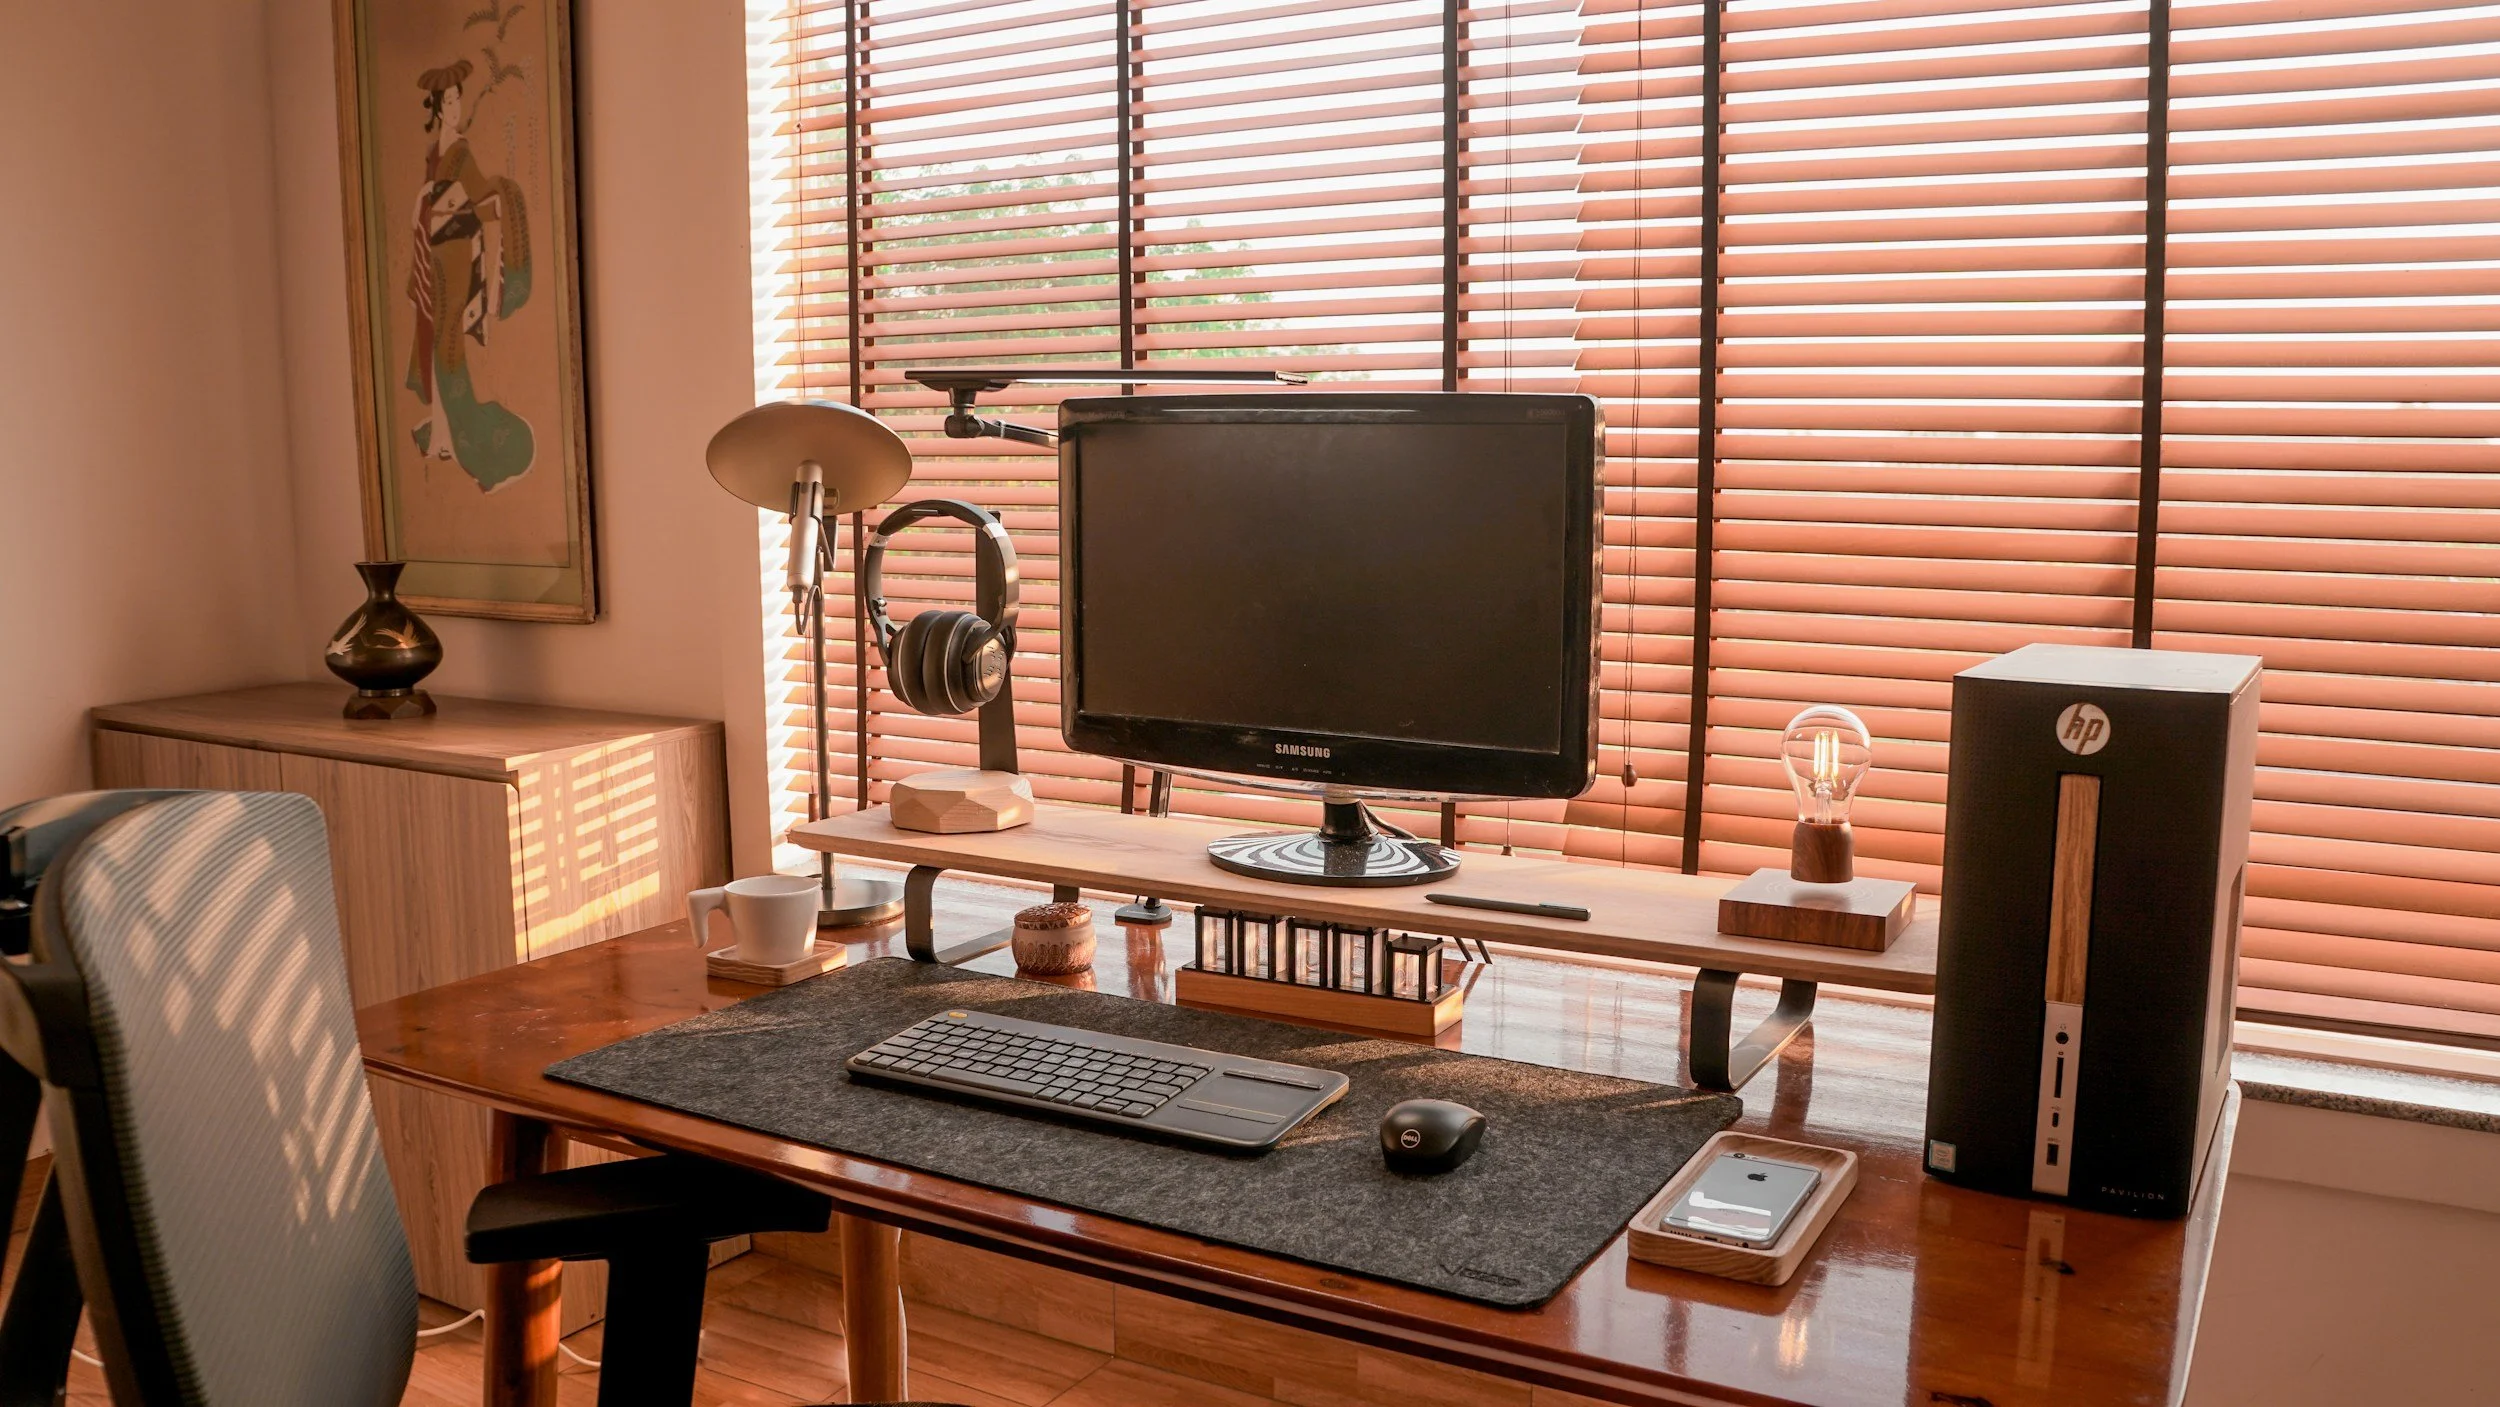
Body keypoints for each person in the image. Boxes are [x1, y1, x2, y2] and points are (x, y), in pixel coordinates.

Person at [404, 59, 535, 491]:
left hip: (458, 256)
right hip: (437, 254)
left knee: (448, 344)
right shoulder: (434, 152)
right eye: (451, 101)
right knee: (437, 340)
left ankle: (459, 437)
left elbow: (478, 194)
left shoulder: (459, 150)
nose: (457, 107)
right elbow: (432, 198)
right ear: (438, 108)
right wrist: (426, 196)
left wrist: (505, 191)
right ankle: (442, 433)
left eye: (460, 98)